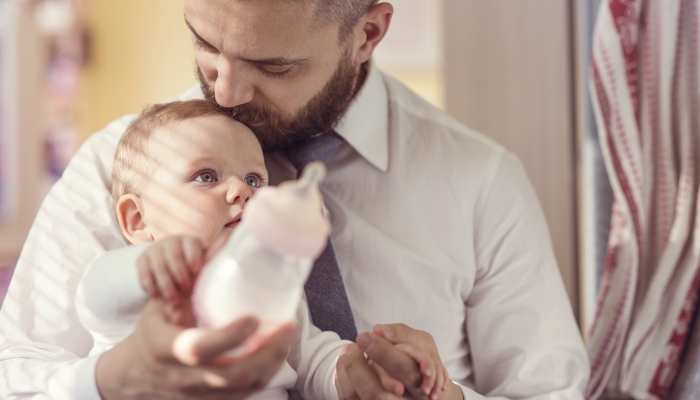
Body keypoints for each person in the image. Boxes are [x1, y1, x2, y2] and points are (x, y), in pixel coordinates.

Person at [0, 0, 590, 399]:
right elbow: (16, 377)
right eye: (203, 41)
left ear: (367, 34)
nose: (226, 92)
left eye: (272, 64)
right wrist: (115, 380)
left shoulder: (482, 182)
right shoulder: (121, 166)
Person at [74, 99, 447, 399]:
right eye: (206, 176)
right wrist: (145, 266)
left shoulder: (267, 288)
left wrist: (356, 370)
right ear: (138, 220)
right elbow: (95, 293)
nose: (242, 190)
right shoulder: (136, 291)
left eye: (254, 178)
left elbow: (311, 360)